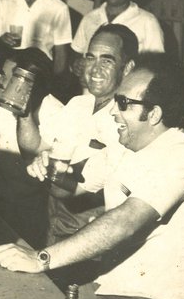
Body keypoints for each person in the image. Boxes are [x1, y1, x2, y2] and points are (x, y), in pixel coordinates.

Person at [0, 57, 184, 299]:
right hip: (109, 285)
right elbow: (71, 188)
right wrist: (50, 169)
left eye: (123, 103)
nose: (113, 112)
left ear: (154, 114)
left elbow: (125, 222)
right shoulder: (124, 147)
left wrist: (42, 258)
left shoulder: (181, 155)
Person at [17, 24, 137, 249]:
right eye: (90, 58)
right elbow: (38, 146)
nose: (95, 69)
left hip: (92, 239)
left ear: (127, 67)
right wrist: (23, 113)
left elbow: (67, 189)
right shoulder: (78, 103)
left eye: (107, 60)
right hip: (55, 226)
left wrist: (46, 166)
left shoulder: (126, 121)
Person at [0, 48, 64, 248]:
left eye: (5, 76)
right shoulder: (3, 107)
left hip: (34, 213)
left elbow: (37, 161)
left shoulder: (56, 113)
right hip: (1, 202)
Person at [70, 0, 164, 75]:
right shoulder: (90, 18)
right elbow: (77, 53)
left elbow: (157, 67)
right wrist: (77, 63)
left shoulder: (147, 22)